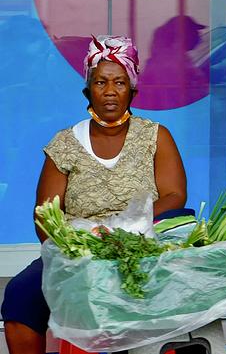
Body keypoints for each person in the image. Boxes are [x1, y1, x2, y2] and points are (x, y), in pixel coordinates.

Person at [1, 35, 188, 354]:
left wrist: (127, 229)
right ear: (89, 90)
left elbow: (174, 195)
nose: (111, 90)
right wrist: (74, 247)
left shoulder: (155, 136)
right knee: (20, 295)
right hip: (78, 252)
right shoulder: (65, 143)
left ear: (132, 89)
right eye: (101, 82)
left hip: (140, 247)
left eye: (119, 82)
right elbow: (46, 214)